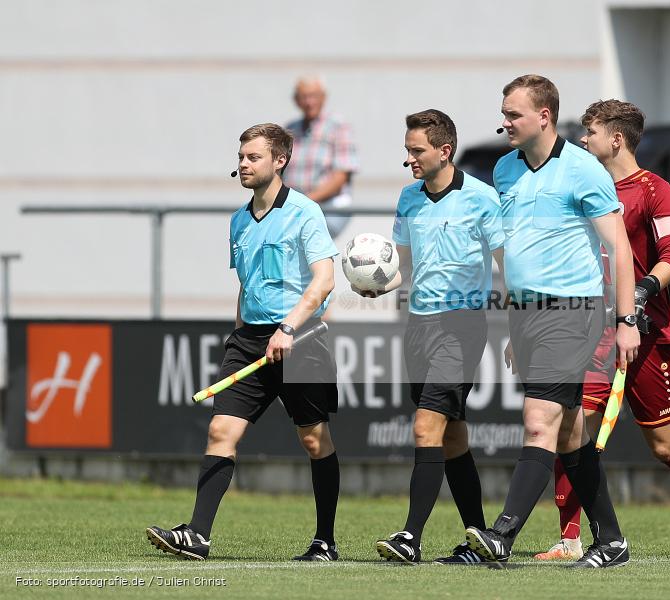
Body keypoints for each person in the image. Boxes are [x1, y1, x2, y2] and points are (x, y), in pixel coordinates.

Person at [535, 99, 670, 561]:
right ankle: (569, 538)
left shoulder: (654, 190)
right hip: (592, 331)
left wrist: (643, 292)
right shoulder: (582, 187)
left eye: (590, 132)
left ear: (615, 139)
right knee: (572, 429)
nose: (582, 139)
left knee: (665, 446)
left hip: (648, 334)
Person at [464, 74, 640, 568]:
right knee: (569, 435)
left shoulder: (583, 169)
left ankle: (502, 535)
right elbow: (509, 252)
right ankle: (612, 541)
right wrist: (513, 322)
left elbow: (619, 248)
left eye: (513, 114)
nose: (505, 123)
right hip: (527, 315)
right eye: (504, 114)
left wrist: (626, 320)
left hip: (573, 311)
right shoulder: (504, 169)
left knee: (539, 421)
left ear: (544, 117)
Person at [146, 123, 341, 561]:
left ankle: (325, 541)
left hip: (300, 338)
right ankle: (198, 535)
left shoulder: (306, 212)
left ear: (280, 161)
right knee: (221, 430)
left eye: (254, 157)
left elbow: (325, 280)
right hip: (250, 341)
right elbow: (246, 286)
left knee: (314, 440)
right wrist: (240, 335)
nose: (244, 164)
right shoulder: (238, 221)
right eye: (241, 157)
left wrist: (287, 328)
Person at [363, 109, 504, 564]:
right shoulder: (408, 198)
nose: (409, 158)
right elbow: (401, 267)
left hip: (462, 327)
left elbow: (507, 264)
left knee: (425, 427)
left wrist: (523, 327)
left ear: (445, 151)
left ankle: (410, 537)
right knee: (452, 438)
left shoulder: (482, 198)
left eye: (416, 150)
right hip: (418, 326)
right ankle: (480, 539)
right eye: (407, 150)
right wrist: (375, 284)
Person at [283, 77, 359, 239]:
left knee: (312, 240)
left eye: (314, 96)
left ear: (323, 97)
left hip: (328, 208)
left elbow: (341, 176)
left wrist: (305, 202)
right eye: (304, 97)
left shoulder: (338, 126)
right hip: (295, 209)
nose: (309, 102)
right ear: (296, 100)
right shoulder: (290, 129)